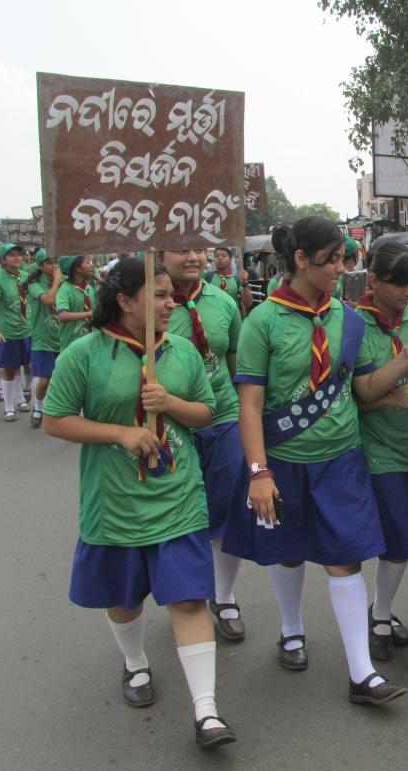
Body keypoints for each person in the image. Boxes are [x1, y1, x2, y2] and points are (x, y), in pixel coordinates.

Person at [225, 216, 408, 705]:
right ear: (300, 259)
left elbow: (363, 390)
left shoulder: (347, 319)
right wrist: (259, 472)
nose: (341, 268)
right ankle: (292, 630)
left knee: (345, 557)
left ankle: (362, 673)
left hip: (341, 459)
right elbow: (248, 404)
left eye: (343, 258)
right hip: (283, 459)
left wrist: (405, 359)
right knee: (289, 550)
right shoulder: (262, 322)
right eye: (331, 259)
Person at [42, 257, 236, 750]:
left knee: (190, 598)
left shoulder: (184, 352)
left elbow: (206, 412)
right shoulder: (83, 355)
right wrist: (121, 433)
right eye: (160, 295)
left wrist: (170, 405)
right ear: (125, 301)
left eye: (172, 295)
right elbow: (56, 419)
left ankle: (206, 711)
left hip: (178, 497)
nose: (172, 304)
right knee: (123, 598)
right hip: (114, 501)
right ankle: (135, 665)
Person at [161, 246, 251, 643]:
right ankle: (186, 596)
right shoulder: (150, 308)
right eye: (181, 249)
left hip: (223, 417)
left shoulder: (224, 302)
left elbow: (234, 360)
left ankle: (224, 595)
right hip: (171, 423)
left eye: (199, 248)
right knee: (181, 514)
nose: (193, 256)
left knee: (229, 508)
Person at [354, 243, 408, 662]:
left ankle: (381, 611)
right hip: (381, 449)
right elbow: (360, 391)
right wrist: (405, 362)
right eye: (397, 282)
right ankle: (380, 616)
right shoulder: (355, 324)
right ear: (374, 282)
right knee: (398, 541)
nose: (406, 291)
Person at [0, 243, 33, 420]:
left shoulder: (26, 276)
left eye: (19, 255)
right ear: (4, 259)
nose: (17, 258)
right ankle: (9, 406)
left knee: (29, 365)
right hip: (9, 330)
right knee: (10, 368)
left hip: (28, 329)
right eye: (12, 255)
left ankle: (23, 395)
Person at [25, 249, 62, 428]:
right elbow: (49, 299)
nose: (54, 266)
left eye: (56, 262)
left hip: (63, 336)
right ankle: (38, 406)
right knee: (45, 378)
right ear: (41, 266)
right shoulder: (34, 284)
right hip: (43, 336)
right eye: (49, 263)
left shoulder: (65, 280)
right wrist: (57, 281)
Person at [55, 256, 96, 352]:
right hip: (71, 345)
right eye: (87, 262)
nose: (91, 265)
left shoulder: (89, 289)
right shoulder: (65, 290)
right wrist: (89, 314)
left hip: (90, 342)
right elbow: (62, 315)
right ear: (77, 268)